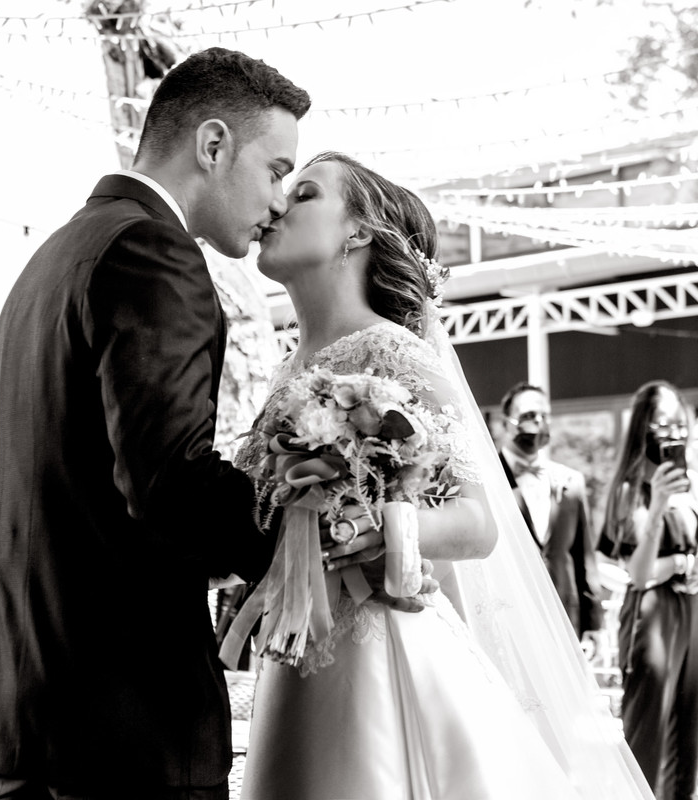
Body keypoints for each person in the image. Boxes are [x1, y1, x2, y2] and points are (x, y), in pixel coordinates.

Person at [232, 151, 651, 799]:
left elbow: (478, 523)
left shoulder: (395, 354)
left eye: (306, 192)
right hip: (295, 650)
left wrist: (368, 525)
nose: (279, 204)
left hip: (382, 648)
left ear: (358, 232)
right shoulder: (284, 374)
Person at [0, 47, 312, 800]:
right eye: (276, 170)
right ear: (213, 145)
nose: (279, 201)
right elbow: (167, 478)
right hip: (126, 710)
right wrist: (305, 538)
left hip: (32, 704)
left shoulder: (53, 257)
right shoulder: (155, 251)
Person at [599, 380, 698, 798]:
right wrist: (658, 508)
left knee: (687, 732)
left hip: (690, 611)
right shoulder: (630, 491)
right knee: (649, 729)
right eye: (662, 424)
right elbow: (639, 574)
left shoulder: (689, 488)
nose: (672, 432)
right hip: (650, 613)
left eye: (678, 423)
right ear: (644, 429)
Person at [498, 382, 604, 641]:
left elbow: (583, 556)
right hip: (510, 615)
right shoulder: (489, 480)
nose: (537, 422)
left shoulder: (571, 481)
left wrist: (595, 622)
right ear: (506, 423)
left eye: (544, 416)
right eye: (527, 415)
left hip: (565, 615)